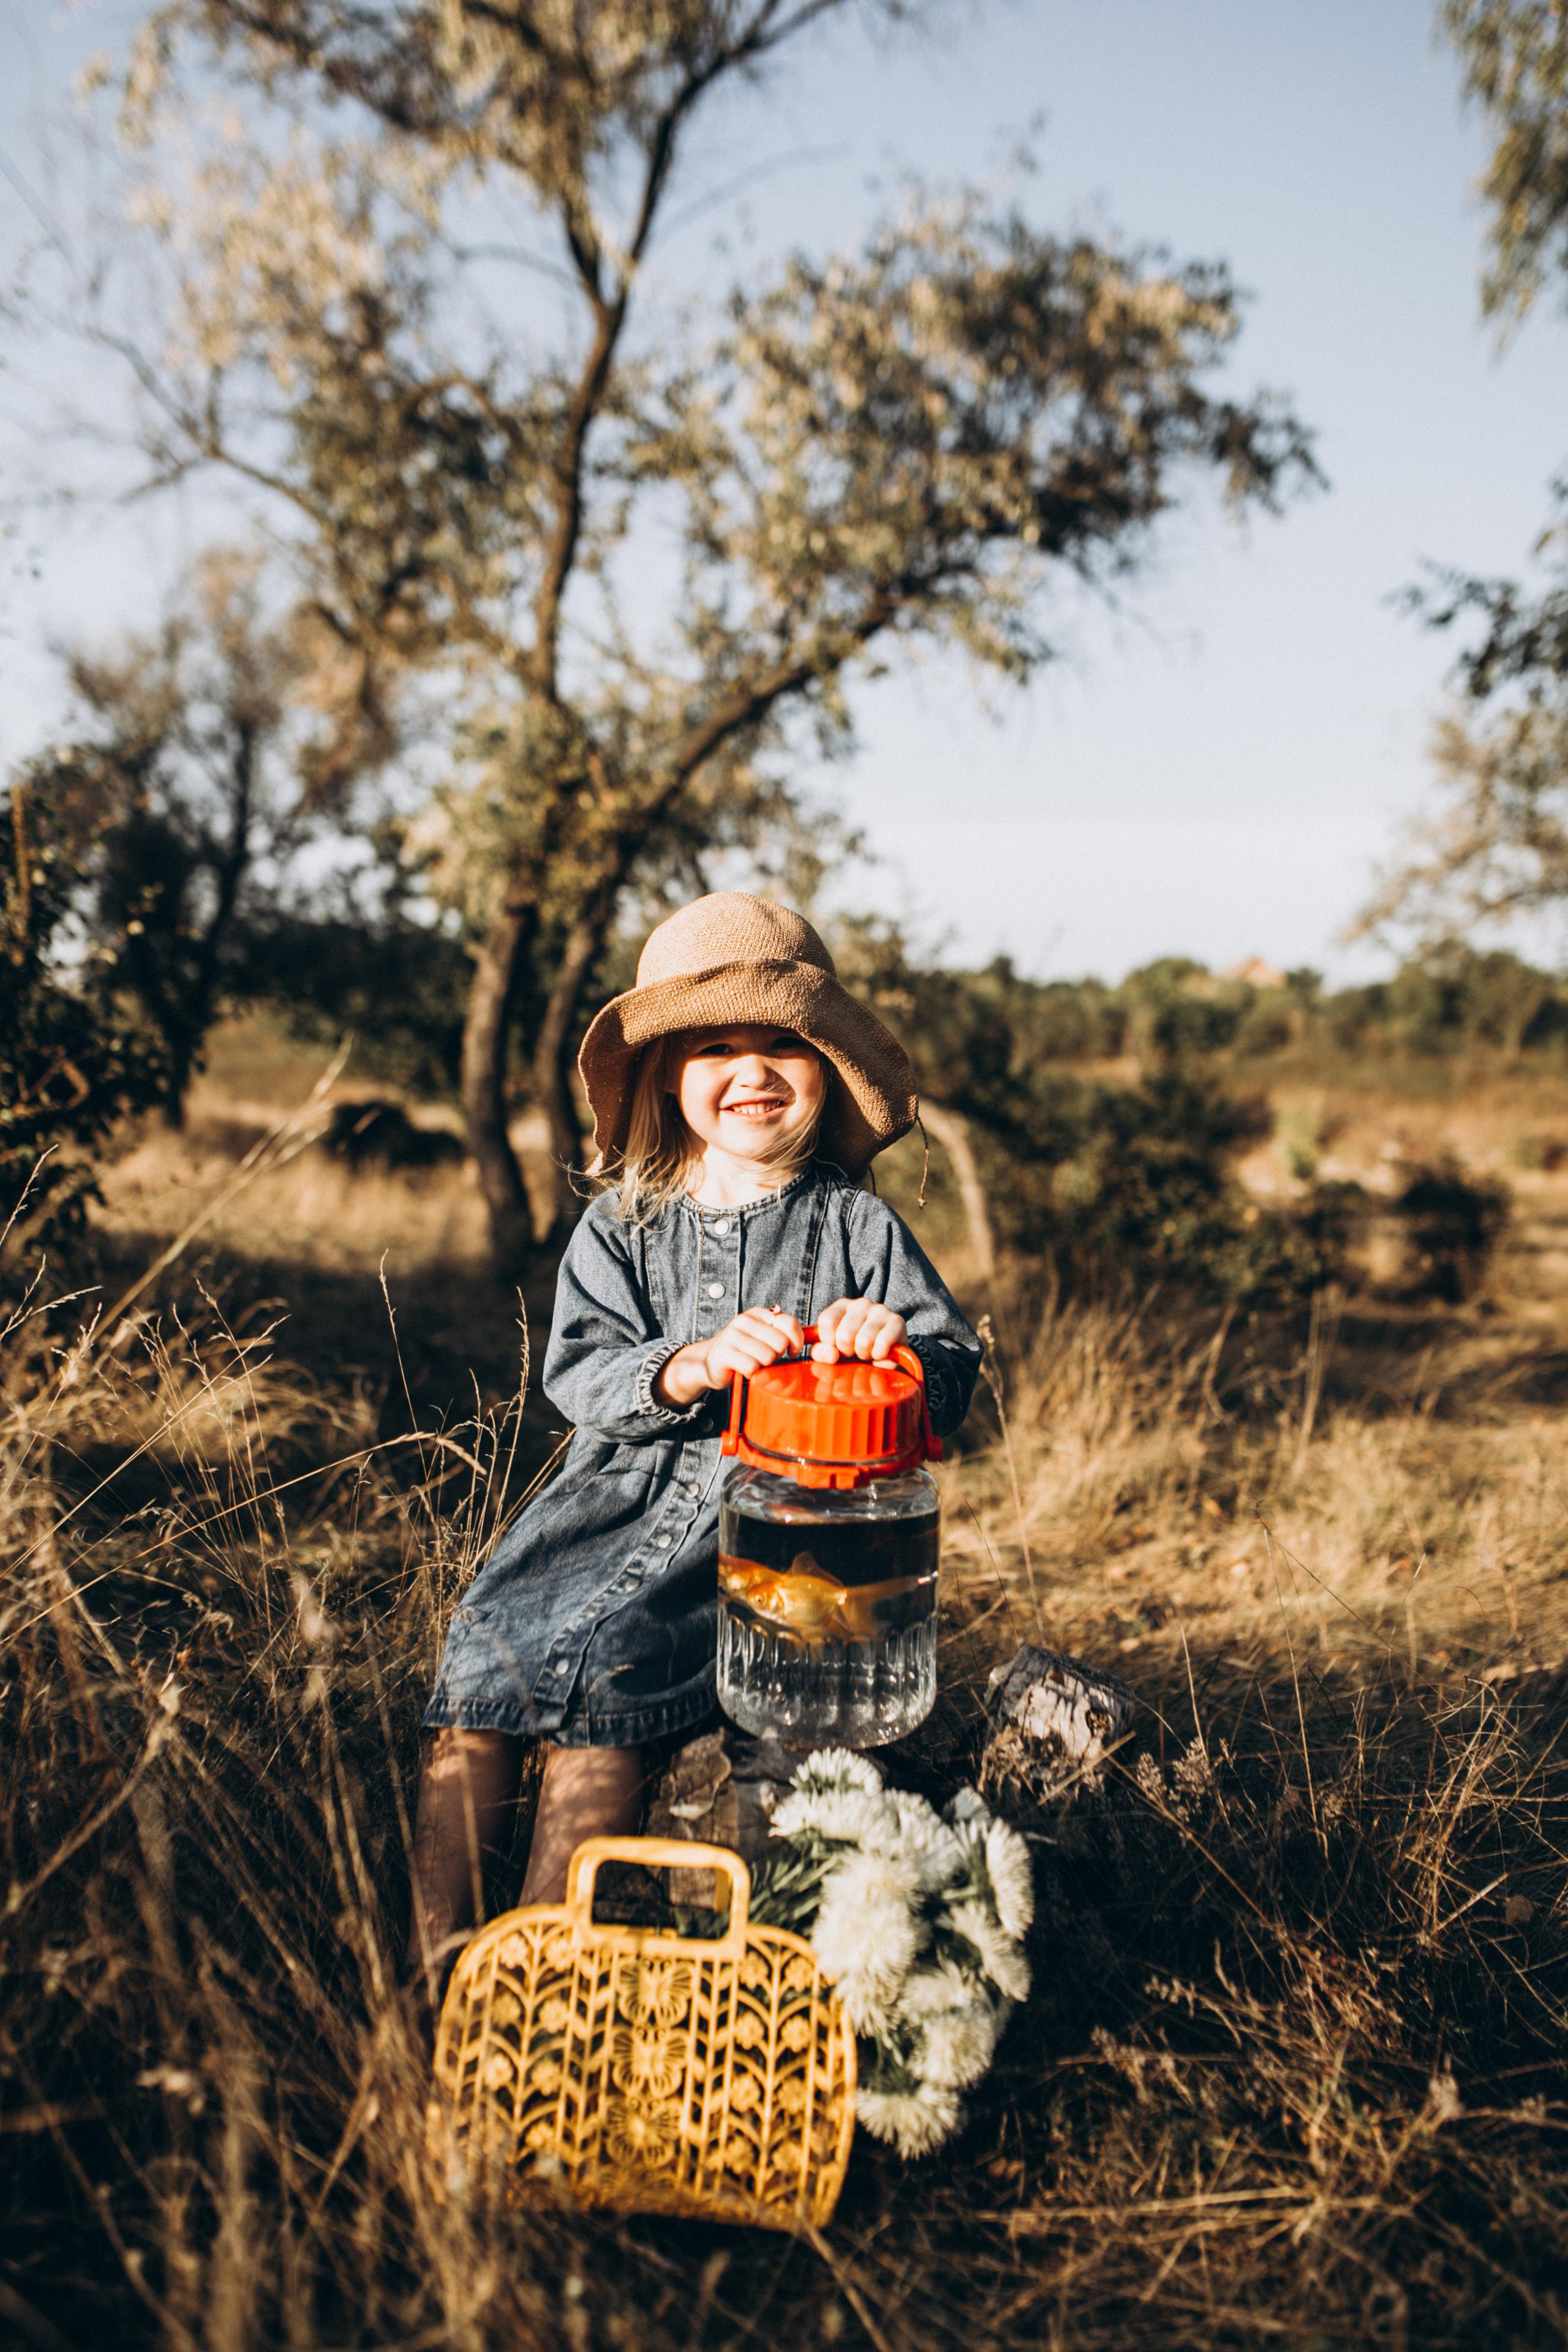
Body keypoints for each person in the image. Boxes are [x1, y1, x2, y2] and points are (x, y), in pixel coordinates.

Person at [405, 891, 980, 2018]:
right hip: (608, 1503)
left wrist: (895, 1347)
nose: (751, 1070)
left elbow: (951, 1369)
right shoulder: (623, 1223)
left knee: (608, 1700)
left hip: (762, 1529)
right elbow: (578, 1368)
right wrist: (684, 1367)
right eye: (717, 1046)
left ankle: (531, 1990)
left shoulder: (856, 1227)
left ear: (824, 1070)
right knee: (480, 1671)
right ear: (669, 1073)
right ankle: (432, 1972)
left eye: (781, 1045)